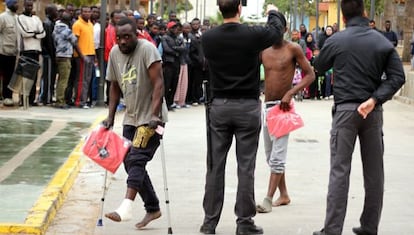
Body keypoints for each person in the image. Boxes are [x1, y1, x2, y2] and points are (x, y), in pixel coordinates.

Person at [312, 0, 405, 234]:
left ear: (343, 17)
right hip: (372, 111)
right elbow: (397, 77)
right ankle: (369, 226)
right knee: (374, 173)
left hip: (345, 111)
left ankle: (332, 229)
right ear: (365, 12)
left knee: (339, 171)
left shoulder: (336, 40)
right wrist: (374, 99)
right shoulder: (381, 41)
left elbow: (319, 66)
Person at [199, 1, 286, 234]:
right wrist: (273, 12)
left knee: (215, 166)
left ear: (219, 9)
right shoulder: (252, 35)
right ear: (240, 8)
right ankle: (244, 222)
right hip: (247, 106)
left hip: (219, 106)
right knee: (245, 166)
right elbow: (277, 30)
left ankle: (209, 222)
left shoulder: (208, 38)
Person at [103, 17, 168, 229]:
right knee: (129, 161)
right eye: (118, 37)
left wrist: (155, 113)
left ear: (136, 34)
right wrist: (111, 116)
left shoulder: (147, 49)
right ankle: (153, 208)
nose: (122, 41)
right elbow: (114, 86)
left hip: (150, 118)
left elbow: (158, 83)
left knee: (138, 159)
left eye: (127, 37)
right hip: (131, 117)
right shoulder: (114, 53)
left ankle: (126, 206)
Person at [255, 16, 315, 213]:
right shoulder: (262, 50)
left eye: (277, 28)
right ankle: (284, 195)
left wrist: (290, 93)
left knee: (277, 157)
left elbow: (310, 74)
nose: (274, 32)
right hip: (266, 107)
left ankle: (268, 198)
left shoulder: (293, 49)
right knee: (270, 156)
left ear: (285, 29)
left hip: (283, 108)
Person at [53, 12, 84, 109]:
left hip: (58, 54)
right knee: (64, 80)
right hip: (65, 56)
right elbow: (75, 42)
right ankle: (60, 101)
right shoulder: (67, 31)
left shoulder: (56, 29)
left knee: (60, 79)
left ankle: (59, 99)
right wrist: (82, 56)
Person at [17, 0, 46, 106]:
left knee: (34, 76)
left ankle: (32, 100)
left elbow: (43, 33)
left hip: (36, 50)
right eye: (28, 6)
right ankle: (23, 100)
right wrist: (35, 33)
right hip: (26, 50)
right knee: (25, 77)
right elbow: (24, 33)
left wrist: (34, 34)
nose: (30, 7)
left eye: (31, 6)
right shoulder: (20, 18)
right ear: (24, 6)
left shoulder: (36, 19)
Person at [72, 6, 95, 108]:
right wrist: (81, 56)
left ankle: (84, 100)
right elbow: (75, 42)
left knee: (87, 79)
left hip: (90, 54)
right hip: (82, 56)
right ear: (81, 13)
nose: (87, 13)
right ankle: (79, 101)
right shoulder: (77, 24)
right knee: (81, 80)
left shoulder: (90, 24)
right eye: (85, 11)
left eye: (88, 12)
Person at [0, 0, 20, 106]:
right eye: (15, 3)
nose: (17, 5)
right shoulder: (2, 17)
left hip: (12, 53)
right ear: (9, 4)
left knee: (10, 76)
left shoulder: (17, 18)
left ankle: (8, 97)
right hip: (2, 51)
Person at [39, 4, 58, 106]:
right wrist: (53, 56)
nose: (57, 13)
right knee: (48, 77)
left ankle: (47, 96)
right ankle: (46, 98)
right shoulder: (47, 24)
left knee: (51, 77)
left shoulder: (52, 23)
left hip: (50, 55)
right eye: (55, 11)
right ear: (50, 12)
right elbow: (49, 43)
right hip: (49, 55)